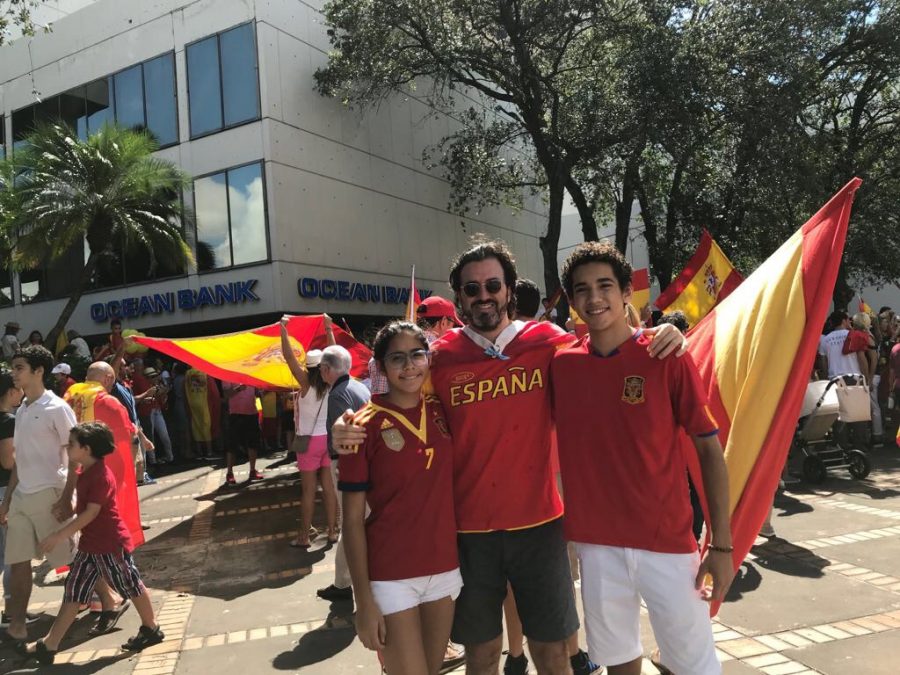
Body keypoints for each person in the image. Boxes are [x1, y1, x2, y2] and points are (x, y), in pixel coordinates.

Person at [334, 237, 684, 675]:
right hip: (468, 534)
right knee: (481, 657)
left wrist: (662, 333)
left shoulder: (548, 342)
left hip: (540, 528)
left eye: (493, 285)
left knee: (554, 653)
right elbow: (392, 400)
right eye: (472, 289)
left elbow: (610, 348)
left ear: (509, 290)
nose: (484, 296)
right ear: (460, 299)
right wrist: (345, 423)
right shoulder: (438, 359)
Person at [551, 242, 733, 675]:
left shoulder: (665, 356)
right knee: (617, 663)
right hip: (597, 546)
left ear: (626, 292)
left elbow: (709, 448)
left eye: (604, 286)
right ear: (572, 301)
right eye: (582, 290)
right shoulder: (560, 365)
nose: (594, 299)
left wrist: (721, 545)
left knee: (695, 666)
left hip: (667, 542)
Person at [340, 321, 460, 675]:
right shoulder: (360, 426)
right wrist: (363, 601)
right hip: (391, 576)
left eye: (416, 355)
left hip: (444, 568)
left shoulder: (442, 409)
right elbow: (351, 521)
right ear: (380, 366)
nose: (409, 366)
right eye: (397, 358)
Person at [19, 422, 164, 664]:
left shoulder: (100, 476)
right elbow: (84, 508)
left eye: (72, 444)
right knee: (74, 591)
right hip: (91, 546)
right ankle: (50, 643)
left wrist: (59, 534)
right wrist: (67, 510)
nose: (67, 447)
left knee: (130, 585)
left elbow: (91, 513)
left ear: (86, 449)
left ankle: (151, 628)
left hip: (109, 545)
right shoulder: (86, 472)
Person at [0, 346, 78, 644]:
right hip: (21, 497)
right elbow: (18, 461)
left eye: (19, 367)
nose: (13, 373)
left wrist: (67, 497)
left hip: (50, 494)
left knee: (69, 560)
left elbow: (75, 454)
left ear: (38, 371)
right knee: (19, 562)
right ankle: (17, 625)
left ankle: (106, 598)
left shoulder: (56, 408)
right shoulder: (21, 410)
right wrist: (7, 500)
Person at [316, 344, 371, 602]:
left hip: (348, 465)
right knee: (359, 523)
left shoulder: (338, 394)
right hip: (367, 462)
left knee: (350, 524)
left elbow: (341, 440)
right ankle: (344, 582)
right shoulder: (360, 386)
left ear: (326, 370)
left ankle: (343, 584)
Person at [280, 316, 338, 548]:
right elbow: (335, 352)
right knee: (329, 489)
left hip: (309, 443)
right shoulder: (332, 381)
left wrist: (283, 329)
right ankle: (333, 531)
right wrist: (327, 327)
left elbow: (288, 356)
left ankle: (304, 536)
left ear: (307, 367)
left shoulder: (305, 383)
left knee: (308, 491)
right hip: (328, 440)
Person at [222, 380, 263, 486]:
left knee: (253, 443)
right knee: (232, 445)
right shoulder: (227, 374)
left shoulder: (251, 373)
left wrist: (260, 410)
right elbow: (226, 395)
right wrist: (239, 388)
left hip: (252, 412)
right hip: (236, 414)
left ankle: (252, 471)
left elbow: (257, 394)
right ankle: (229, 473)